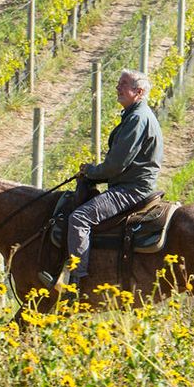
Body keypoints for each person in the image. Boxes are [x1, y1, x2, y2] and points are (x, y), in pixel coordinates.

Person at [50, 69, 162, 292]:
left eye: (124, 84)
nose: (118, 88)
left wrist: (91, 172)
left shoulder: (138, 118)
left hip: (132, 188)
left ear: (138, 92)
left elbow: (116, 165)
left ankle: (77, 282)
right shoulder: (136, 115)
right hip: (131, 183)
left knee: (80, 218)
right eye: (118, 83)